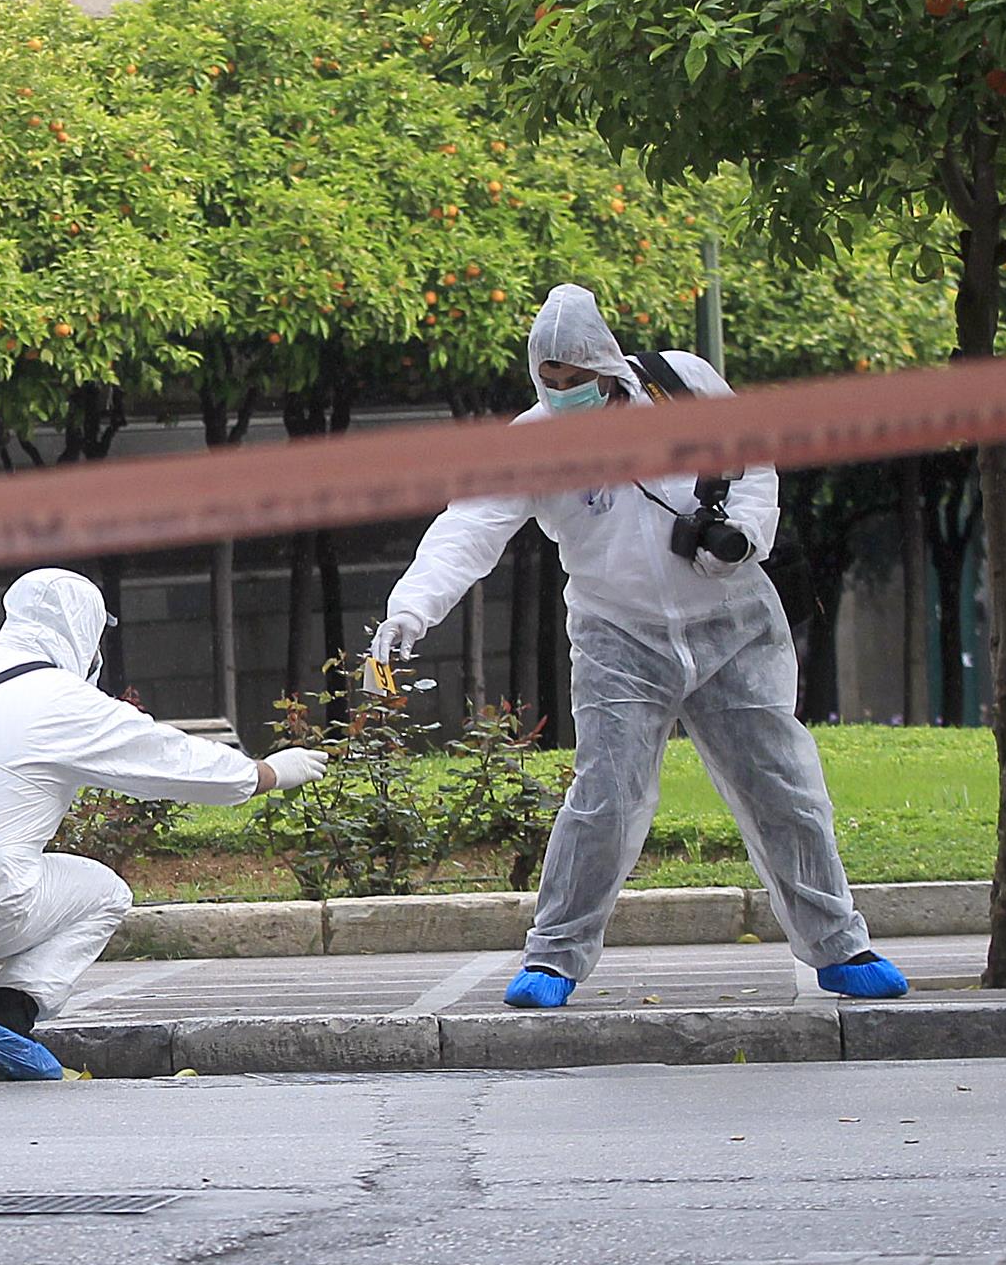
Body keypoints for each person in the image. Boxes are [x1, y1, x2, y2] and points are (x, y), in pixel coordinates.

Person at [367, 285, 908, 1011]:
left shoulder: (680, 385)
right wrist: (410, 609)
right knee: (605, 798)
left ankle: (841, 945)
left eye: (576, 377)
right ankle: (553, 956)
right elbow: (467, 528)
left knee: (783, 787)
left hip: (730, 622)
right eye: (550, 378)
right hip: (616, 638)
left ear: (605, 363)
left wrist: (745, 535)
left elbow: (750, 462)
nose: (563, 390)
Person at [0, 570, 328, 1085]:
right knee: (103, 893)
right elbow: (173, 760)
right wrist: (267, 772)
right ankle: (5, 1023)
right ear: (85, 633)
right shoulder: (69, 702)